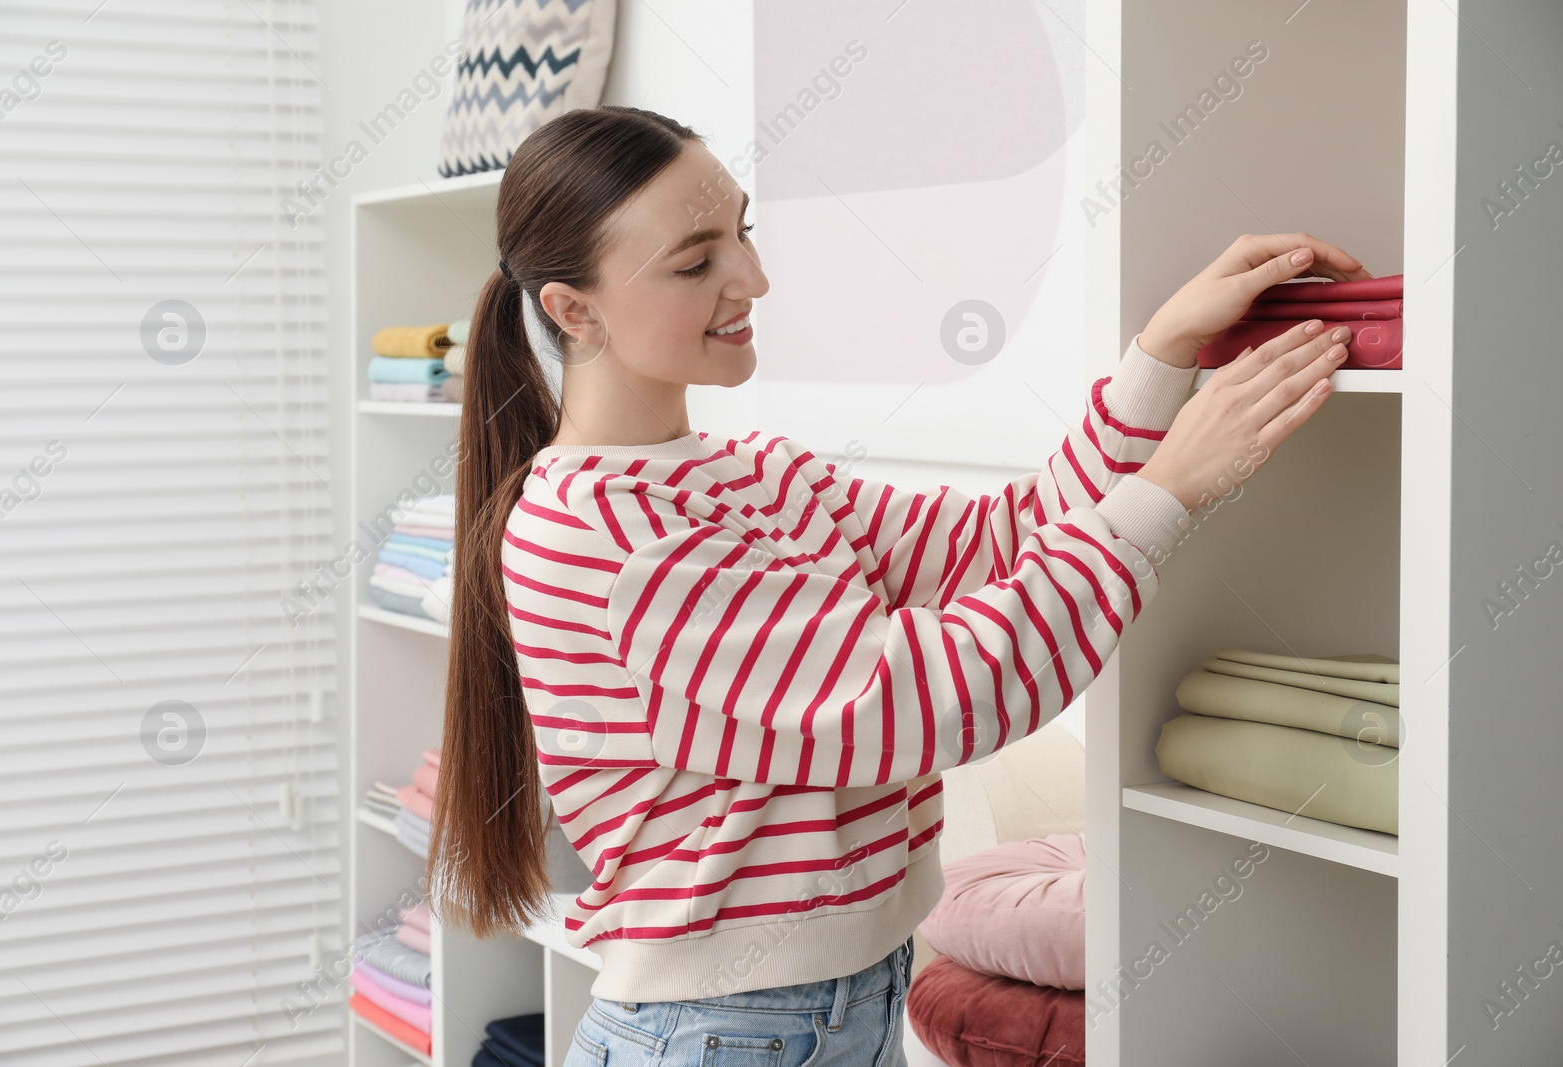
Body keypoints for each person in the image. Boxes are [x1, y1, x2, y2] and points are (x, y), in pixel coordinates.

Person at [425, 104, 1370, 1067]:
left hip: (841, 1005)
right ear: (572, 310)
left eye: (743, 232)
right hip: (721, 1032)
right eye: (694, 260)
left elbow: (999, 541)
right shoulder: (601, 530)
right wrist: (1165, 492)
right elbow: (929, 693)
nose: (753, 279)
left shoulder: (757, 472)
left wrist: (1160, 359)